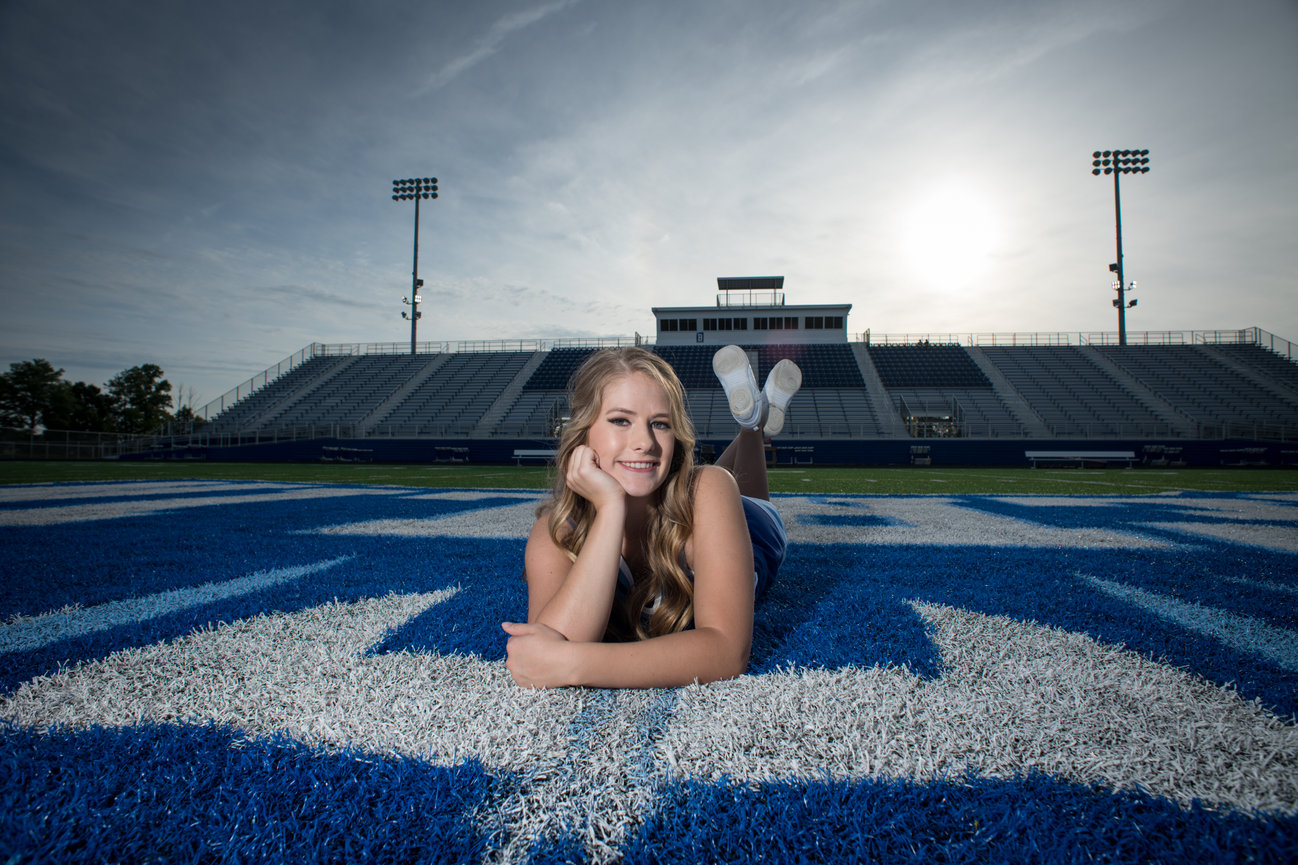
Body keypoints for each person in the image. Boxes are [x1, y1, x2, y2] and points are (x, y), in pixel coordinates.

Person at [501, 345, 802, 688]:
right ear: (583, 432)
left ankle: (751, 427)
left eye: (660, 424)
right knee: (693, 489)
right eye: (620, 420)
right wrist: (610, 508)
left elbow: (727, 651)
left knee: (728, 488)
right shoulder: (554, 532)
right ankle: (751, 422)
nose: (644, 441)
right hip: (681, 500)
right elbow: (552, 643)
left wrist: (575, 664)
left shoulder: (711, 490)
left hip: (755, 527)